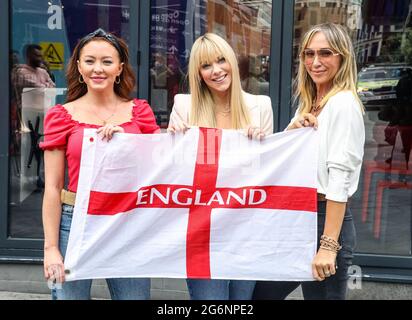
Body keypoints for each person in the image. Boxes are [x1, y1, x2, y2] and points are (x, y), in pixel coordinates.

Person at [40, 28, 160, 300]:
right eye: (90, 61)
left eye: (107, 61)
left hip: (127, 219)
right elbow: (53, 187)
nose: (98, 69)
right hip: (76, 218)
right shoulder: (61, 116)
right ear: (79, 67)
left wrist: (126, 143)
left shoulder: (140, 112)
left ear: (119, 68)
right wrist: (50, 248)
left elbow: (157, 170)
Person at [253, 23, 365, 300]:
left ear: (342, 57)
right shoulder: (312, 102)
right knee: (260, 294)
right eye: (308, 54)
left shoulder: (342, 103)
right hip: (302, 217)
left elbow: (339, 177)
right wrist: (293, 129)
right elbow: (285, 155)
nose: (315, 62)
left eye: (325, 53)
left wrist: (328, 245)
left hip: (326, 219)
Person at [167, 33, 274, 300]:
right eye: (206, 66)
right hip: (201, 230)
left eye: (221, 60)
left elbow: (268, 173)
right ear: (198, 73)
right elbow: (177, 174)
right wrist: (174, 141)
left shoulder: (260, 106)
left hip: (244, 228)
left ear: (233, 62)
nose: (216, 71)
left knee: (241, 301)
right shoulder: (184, 106)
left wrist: (259, 146)